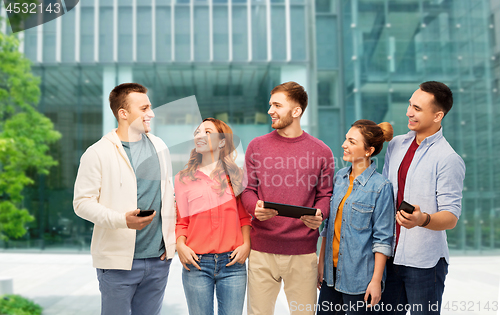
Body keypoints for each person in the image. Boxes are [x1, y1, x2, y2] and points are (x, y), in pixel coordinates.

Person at [73, 83, 176, 315]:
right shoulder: (97, 153)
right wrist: (122, 220)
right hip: (118, 264)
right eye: (144, 108)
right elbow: (81, 203)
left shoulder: (160, 146)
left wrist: (171, 243)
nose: (151, 113)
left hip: (158, 261)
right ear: (123, 113)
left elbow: (168, 195)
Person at [241, 81, 334, 315]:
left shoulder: (322, 152)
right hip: (262, 251)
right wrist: (255, 208)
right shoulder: (256, 146)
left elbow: (325, 195)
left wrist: (319, 214)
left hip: (303, 254)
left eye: (277, 105)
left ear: (296, 111)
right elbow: (248, 190)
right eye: (270, 104)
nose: (270, 110)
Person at [379, 81, 466, 314]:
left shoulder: (448, 159)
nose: (409, 112)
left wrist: (422, 220)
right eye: (410, 105)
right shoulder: (396, 145)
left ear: (438, 115)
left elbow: (451, 217)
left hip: (425, 264)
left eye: (417, 108)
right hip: (389, 256)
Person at [316, 120, 395, 315]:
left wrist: (376, 281)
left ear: (368, 151)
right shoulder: (340, 178)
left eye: (352, 141)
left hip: (360, 280)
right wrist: (321, 265)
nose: (344, 145)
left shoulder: (381, 187)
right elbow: (328, 226)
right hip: (331, 277)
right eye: (346, 139)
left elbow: (383, 239)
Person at [175, 118, 252, 315]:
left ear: (221, 142)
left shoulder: (236, 176)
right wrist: (180, 245)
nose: (200, 135)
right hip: (197, 264)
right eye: (198, 132)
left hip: (233, 263)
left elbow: (245, 218)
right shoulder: (183, 178)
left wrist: (246, 245)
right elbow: (182, 221)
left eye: (208, 132)